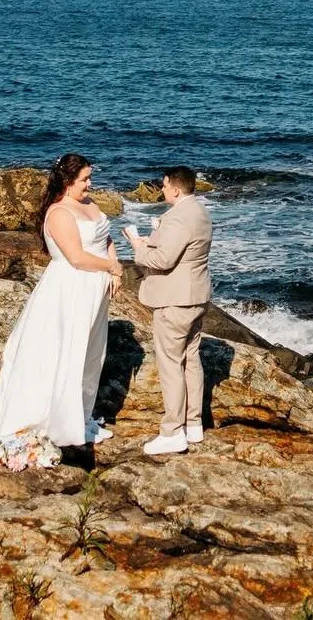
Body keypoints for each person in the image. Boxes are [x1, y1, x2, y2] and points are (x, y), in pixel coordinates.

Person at [0, 152, 122, 462]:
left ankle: (77, 414)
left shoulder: (90, 205)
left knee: (90, 353)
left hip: (94, 289)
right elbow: (76, 258)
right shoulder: (59, 213)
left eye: (90, 177)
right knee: (66, 352)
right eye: (84, 180)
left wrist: (112, 266)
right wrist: (113, 268)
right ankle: (58, 423)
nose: (90, 184)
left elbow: (105, 237)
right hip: (70, 289)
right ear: (67, 181)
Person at [123, 166, 213, 455]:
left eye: (163, 186)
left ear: (175, 188)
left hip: (174, 300)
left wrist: (138, 247)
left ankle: (173, 431)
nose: (161, 190)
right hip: (196, 295)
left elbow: (163, 260)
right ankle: (194, 424)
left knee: (171, 364)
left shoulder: (177, 217)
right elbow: (183, 251)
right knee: (191, 358)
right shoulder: (199, 212)